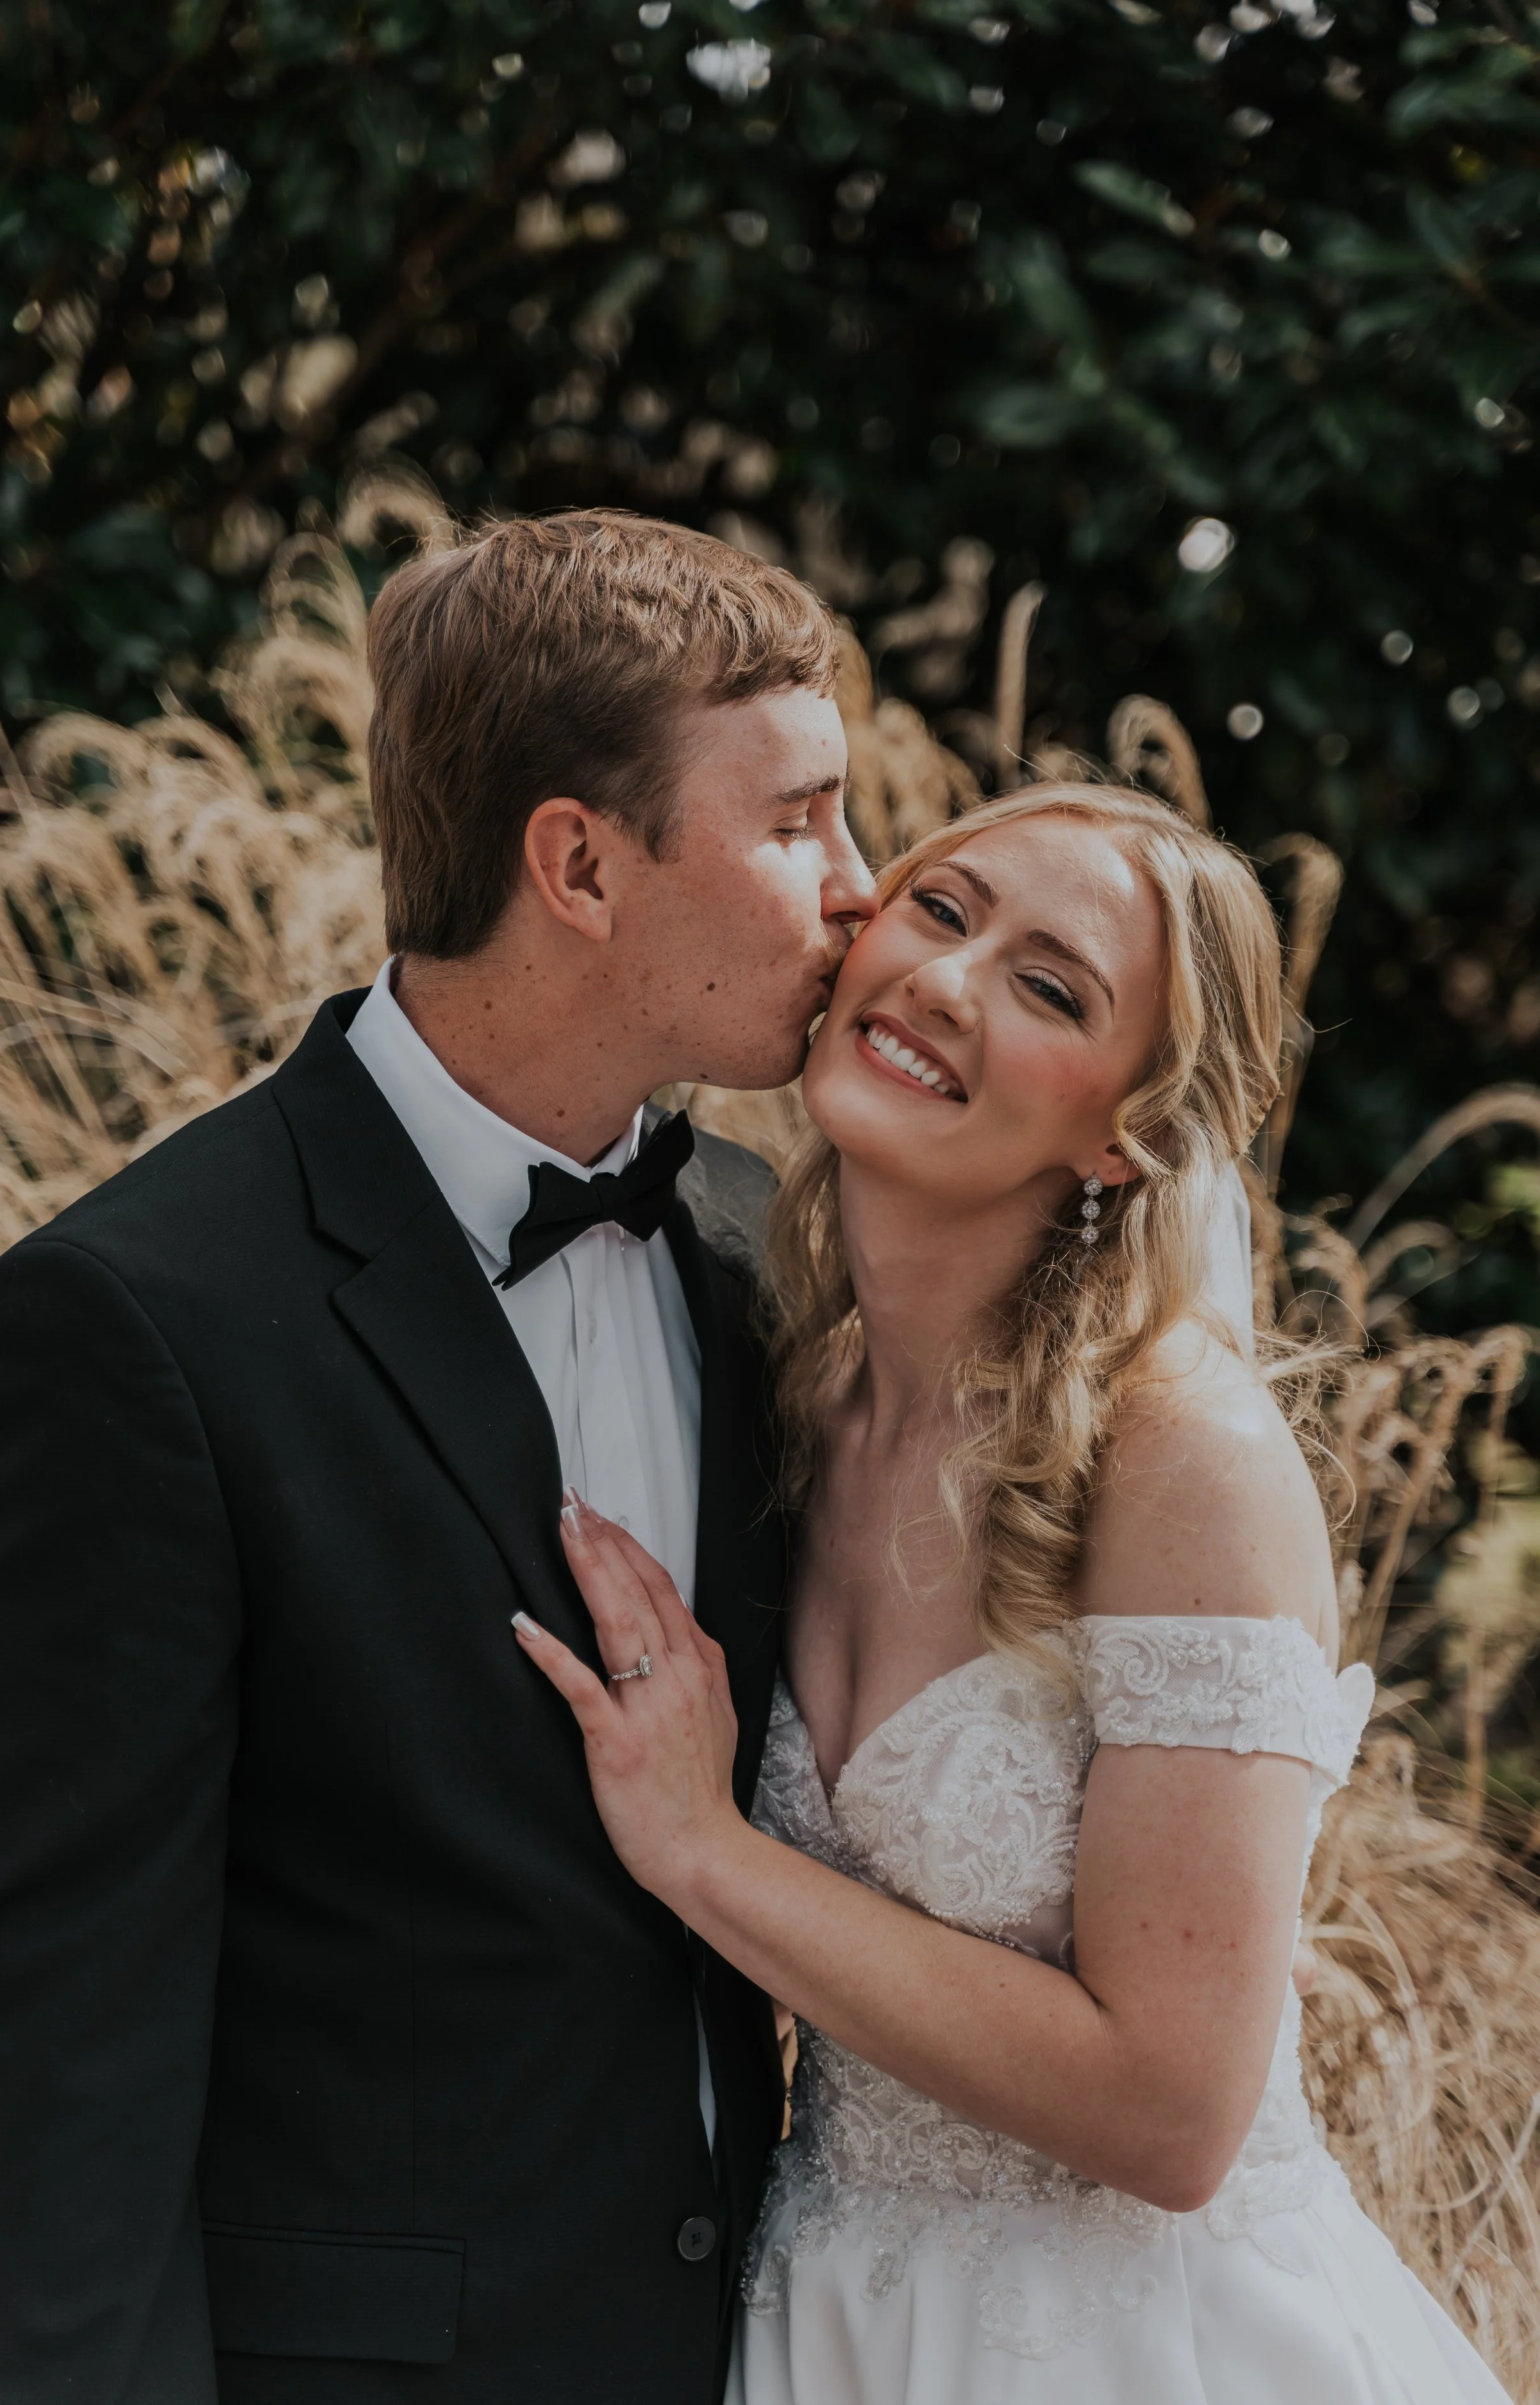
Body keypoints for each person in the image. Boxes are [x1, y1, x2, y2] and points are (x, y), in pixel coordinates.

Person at [0, 512, 878, 2404]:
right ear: (578, 862)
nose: (859, 887)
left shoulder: (755, 1251)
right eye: (796, 822)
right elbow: (47, 2067)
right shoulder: (131, 1321)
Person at [514, 784, 1512, 2405]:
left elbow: (1172, 2115)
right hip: (820, 2315)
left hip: (1130, 2346)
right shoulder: (776, 1382)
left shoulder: (1178, 1454)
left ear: (1124, 1130)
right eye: (942, 910)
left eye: (1051, 988)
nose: (945, 983)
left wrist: (705, 1850)